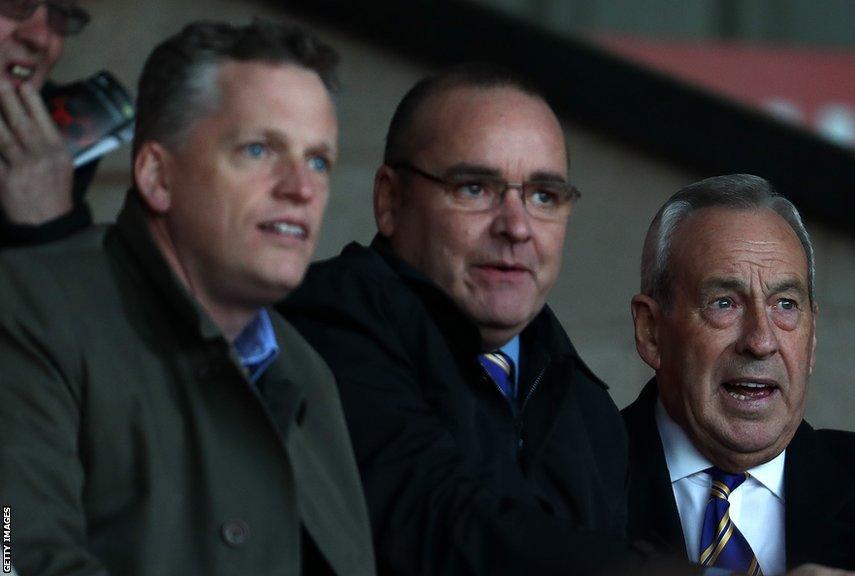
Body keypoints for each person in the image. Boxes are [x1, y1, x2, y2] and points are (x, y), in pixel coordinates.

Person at [0, 20, 375, 575]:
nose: (301, 188)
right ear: (156, 175)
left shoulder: (307, 369)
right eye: (258, 149)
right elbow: (12, 557)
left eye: (318, 160)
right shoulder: (27, 304)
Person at [279, 64, 661, 576]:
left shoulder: (590, 410)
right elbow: (442, 524)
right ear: (390, 201)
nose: (517, 227)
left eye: (544, 196)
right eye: (475, 188)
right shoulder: (320, 328)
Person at [624, 174, 855, 575]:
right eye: (724, 303)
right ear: (651, 331)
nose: (761, 341)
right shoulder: (561, 483)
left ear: (812, 337)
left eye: (785, 304)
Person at [0, 0, 98, 248]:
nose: (41, 38)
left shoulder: (55, 143)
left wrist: (52, 227)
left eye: (59, 15)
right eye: (15, 4)